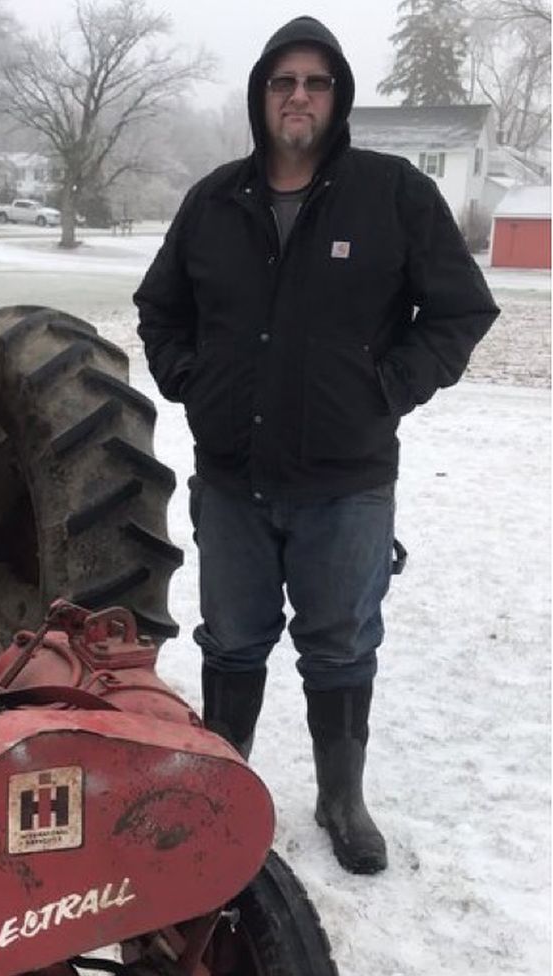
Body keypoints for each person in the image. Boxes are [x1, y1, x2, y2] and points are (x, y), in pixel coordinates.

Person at [134, 15, 499, 875]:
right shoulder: (213, 201)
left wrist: (389, 386)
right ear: (261, 95)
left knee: (340, 645)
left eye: (316, 82)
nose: (297, 97)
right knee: (231, 642)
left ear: (338, 98)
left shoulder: (392, 194)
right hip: (233, 478)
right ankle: (227, 792)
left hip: (347, 482)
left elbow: (460, 311)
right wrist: (194, 380)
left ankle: (341, 798)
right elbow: (161, 309)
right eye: (282, 82)